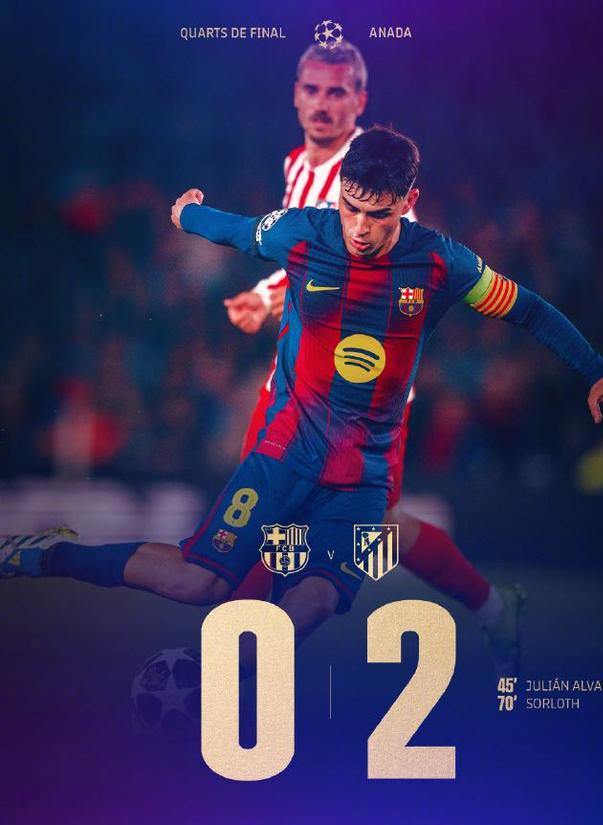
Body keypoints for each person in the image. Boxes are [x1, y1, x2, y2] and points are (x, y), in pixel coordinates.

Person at [1, 127, 603, 676]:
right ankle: (45, 553)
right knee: (199, 581)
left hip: (362, 477)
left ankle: (224, 689)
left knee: (314, 602)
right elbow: (236, 231)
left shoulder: (444, 264)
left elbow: (530, 310)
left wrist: (598, 372)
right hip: (284, 452)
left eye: (378, 214)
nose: (359, 227)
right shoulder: (304, 232)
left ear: (409, 203)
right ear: (339, 191)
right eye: (351, 206)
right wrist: (186, 214)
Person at [223, 41, 526, 672]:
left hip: (364, 398)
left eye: (337, 92)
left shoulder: (370, 173)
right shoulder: (299, 164)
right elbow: (314, 263)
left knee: (341, 525)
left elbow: (382, 265)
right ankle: (491, 604)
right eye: (312, 89)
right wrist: (267, 295)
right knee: (341, 524)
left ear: (360, 100)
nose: (322, 104)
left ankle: (230, 665)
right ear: (294, 94)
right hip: (306, 384)